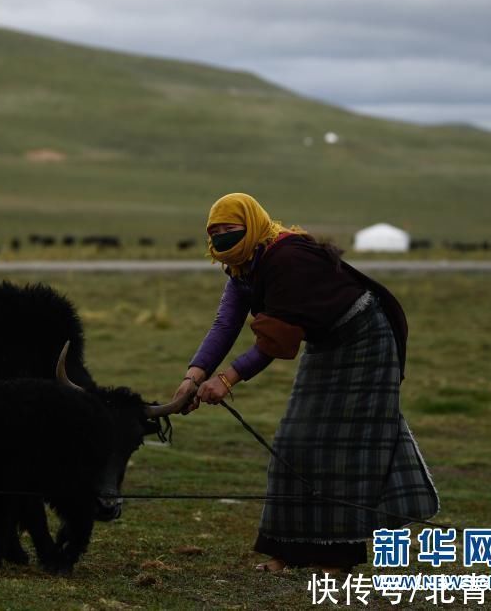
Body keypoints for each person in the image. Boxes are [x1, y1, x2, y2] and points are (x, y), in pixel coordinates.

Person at [173, 193, 438, 573]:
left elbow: (274, 343)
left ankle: (339, 558)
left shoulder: (286, 257)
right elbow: (225, 324)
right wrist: (193, 375)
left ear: (251, 224)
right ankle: (289, 553)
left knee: (343, 447)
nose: (222, 239)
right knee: (294, 441)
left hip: (366, 338)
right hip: (327, 339)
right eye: (214, 232)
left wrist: (227, 380)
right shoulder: (242, 267)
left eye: (230, 230)